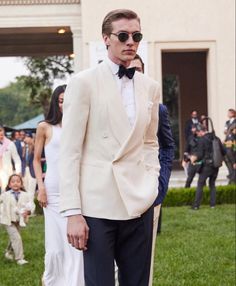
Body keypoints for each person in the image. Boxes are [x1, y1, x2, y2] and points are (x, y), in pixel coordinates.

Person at [59, 9, 160, 286]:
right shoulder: (83, 82)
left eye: (136, 36)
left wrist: (152, 182)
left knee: (138, 282)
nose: (131, 41)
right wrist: (72, 212)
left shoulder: (150, 87)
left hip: (139, 202)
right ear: (106, 39)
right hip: (97, 206)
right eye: (123, 35)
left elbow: (151, 141)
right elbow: (69, 151)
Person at [130, 54, 175, 285]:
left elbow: (167, 147)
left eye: (138, 69)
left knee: (143, 260)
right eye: (129, 69)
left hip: (148, 191)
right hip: (114, 192)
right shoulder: (107, 105)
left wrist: (161, 184)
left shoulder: (158, 109)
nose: (134, 74)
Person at [33, 85, 84, 286]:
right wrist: (41, 188)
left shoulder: (80, 125)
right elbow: (37, 160)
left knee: (75, 243)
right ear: (56, 102)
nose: (64, 104)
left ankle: (75, 281)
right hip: (52, 192)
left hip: (76, 190)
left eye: (68, 100)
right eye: (61, 100)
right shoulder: (44, 127)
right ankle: (53, 280)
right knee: (55, 245)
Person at [0, 174, 35, 265]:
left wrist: (28, 212)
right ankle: (19, 258)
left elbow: (31, 205)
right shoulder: (5, 195)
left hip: (19, 220)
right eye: (13, 181)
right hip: (8, 220)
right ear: (9, 184)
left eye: (18, 181)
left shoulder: (25, 195)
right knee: (17, 238)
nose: (15, 183)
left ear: (21, 184)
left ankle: (8, 252)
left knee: (14, 238)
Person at [191, 124, 225, 209]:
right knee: (212, 185)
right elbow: (224, 151)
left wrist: (193, 158)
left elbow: (200, 154)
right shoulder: (216, 138)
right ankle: (212, 205)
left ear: (201, 131)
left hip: (206, 166)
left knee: (200, 185)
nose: (197, 135)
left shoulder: (202, 140)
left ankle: (196, 206)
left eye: (198, 133)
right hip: (216, 166)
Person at [0, 125, 21, 192]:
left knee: (6, 194)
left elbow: (17, 159)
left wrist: (18, 173)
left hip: (7, 173)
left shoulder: (10, 144)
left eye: (1, 130)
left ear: (4, 131)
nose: (0, 133)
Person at [223, 108, 236, 184]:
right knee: (226, 157)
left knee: (231, 155)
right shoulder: (227, 122)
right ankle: (231, 174)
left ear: (233, 113)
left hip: (233, 141)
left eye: (229, 113)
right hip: (228, 141)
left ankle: (232, 177)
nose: (228, 114)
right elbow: (225, 131)